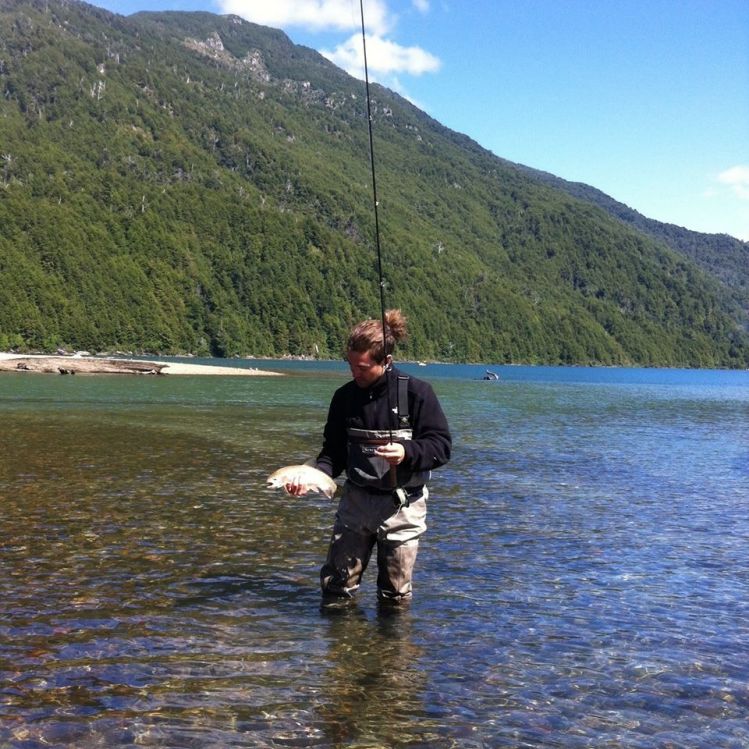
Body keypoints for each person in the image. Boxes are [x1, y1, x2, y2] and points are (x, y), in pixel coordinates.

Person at [286, 309, 451, 605]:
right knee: (336, 588)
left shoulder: (417, 393)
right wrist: (310, 479)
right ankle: (339, 646)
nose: (354, 373)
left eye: (362, 368)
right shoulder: (344, 397)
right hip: (356, 502)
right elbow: (333, 453)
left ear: (386, 362)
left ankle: (390, 650)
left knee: (394, 596)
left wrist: (407, 452)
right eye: (350, 365)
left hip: (403, 505)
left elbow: (441, 447)